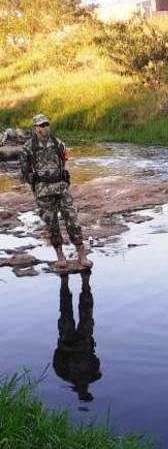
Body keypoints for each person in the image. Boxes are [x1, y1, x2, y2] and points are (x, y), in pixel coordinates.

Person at [20, 114, 92, 269]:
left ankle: (82, 255)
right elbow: (25, 172)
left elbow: (64, 162)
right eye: (41, 125)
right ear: (35, 128)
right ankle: (60, 256)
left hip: (60, 188)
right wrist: (35, 186)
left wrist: (63, 178)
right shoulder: (28, 148)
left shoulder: (58, 143)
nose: (45, 127)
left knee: (72, 219)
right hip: (43, 191)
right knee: (52, 224)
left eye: (46, 124)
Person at [53, 272, 102, 405]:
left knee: (68, 310)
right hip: (81, 342)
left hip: (69, 342)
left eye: (83, 394)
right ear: (88, 391)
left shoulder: (65, 375)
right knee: (81, 311)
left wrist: (61, 347)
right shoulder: (94, 376)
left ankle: (69, 281)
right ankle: (80, 282)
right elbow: (96, 359)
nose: (84, 391)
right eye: (86, 393)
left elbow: (56, 358)